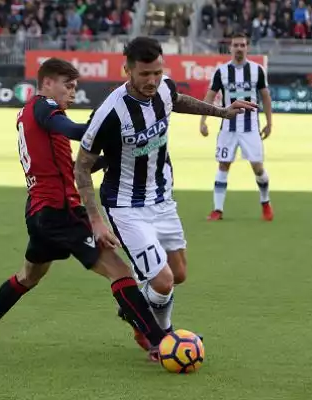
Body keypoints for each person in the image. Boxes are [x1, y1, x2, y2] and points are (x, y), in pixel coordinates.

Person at [0, 58, 171, 362]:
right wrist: (100, 128)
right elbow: (71, 129)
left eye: (75, 87)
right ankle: (159, 341)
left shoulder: (28, 115)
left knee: (28, 276)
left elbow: (72, 169)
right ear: (47, 82)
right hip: (61, 211)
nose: (72, 93)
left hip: (39, 213)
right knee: (119, 271)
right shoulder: (44, 107)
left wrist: (109, 158)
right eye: (68, 85)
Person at [74, 37, 256, 351]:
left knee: (179, 273)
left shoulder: (163, 88)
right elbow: (81, 167)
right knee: (163, 281)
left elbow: (177, 100)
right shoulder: (109, 113)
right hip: (126, 206)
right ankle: (162, 338)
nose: (152, 81)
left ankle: (136, 308)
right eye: (144, 74)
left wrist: (222, 113)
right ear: (127, 70)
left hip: (162, 199)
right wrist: (96, 221)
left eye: (157, 72)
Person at [199, 32, 274, 221]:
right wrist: (203, 120)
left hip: (250, 128)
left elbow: (265, 96)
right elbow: (210, 95)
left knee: (258, 168)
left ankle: (265, 203)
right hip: (228, 128)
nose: (239, 48)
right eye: (236, 45)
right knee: (223, 165)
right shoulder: (221, 71)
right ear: (230, 48)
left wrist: (269, 122)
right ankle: (217, 209)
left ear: (247, 47)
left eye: (242, 45)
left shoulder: (257, 70)